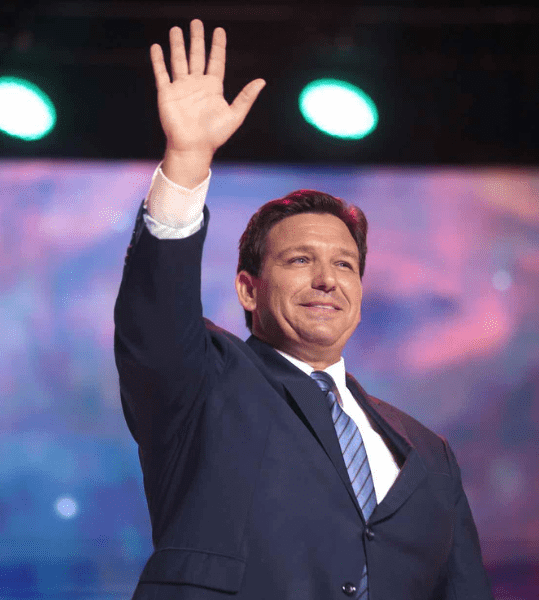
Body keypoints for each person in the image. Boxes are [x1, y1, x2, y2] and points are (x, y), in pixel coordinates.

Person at [115, 19, 492, 600]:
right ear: (248, 290)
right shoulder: (205, 383)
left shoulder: (430, 453)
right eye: (299, 261)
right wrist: (187, 161)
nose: (326, 280)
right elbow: (155, 316)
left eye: (345, 264)